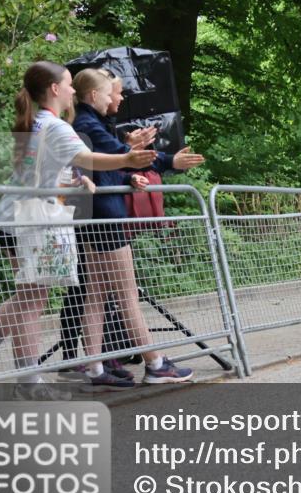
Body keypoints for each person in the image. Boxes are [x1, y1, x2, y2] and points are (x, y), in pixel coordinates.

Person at [0, 61, 155, 400]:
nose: (73, 89)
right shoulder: (56, 126)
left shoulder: (38, 125)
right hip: (32, 221)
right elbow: (88, 155)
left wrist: (75, 179)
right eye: (68, 84)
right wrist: (127, 159)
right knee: (32, 301)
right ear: (55, 89)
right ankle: (28, 384)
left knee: (26, 298)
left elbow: (50, 170)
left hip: (18, 218)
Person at [70, 68, 205, 388]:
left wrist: (131, 172)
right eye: (110, 93)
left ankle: (94, 367)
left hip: (94, 214)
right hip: (106, 216)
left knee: (97, 294)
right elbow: (123, 157)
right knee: (127, 293)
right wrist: (166, 161)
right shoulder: (87, 124)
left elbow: (114, 165)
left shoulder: (90, 124)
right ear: (93, 96)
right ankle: (155, 363)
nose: (116, 98)